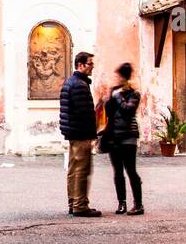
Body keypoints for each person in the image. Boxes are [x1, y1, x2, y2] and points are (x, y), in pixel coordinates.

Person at [59, 50, 101, 217]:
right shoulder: (79, 85)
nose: (92, 67)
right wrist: (93, 134)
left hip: (73, 132)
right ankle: (80, 205)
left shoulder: (72, 82)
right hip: (81, 133)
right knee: (82, 169)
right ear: (81, 65)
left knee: (73, 169)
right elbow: (84, 113)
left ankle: (73, 202)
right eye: (90, 64)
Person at [104, 62, 144, 215]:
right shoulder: (114, 92)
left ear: (124, 77)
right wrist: (108, 99)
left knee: (131, 170)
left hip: (128, 135)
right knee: (117, 172)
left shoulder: (134, 93)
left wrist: (118, 97)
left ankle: (138, 204)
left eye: (119, 76)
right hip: (114, 135)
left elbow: (128, 110)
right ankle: (122, 203)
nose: (116, 78)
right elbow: (109, 113)